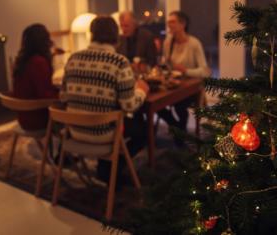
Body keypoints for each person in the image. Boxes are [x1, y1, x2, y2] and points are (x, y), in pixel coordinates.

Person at [60, 16, 149, 184]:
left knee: (118, 118)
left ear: (91, 35)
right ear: (116, 37)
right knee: (143, 131)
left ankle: (105, 167)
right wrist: (141, 91)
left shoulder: (73, 58)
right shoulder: (119, 62)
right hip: (104, 134)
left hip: (75, 131)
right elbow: (129, 105)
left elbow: (63, 96)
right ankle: (110, 169)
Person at [158, 11, 210, 143]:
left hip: (191, 88)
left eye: (172, 22)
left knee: (179, 106)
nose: (169, 25)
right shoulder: (168, 43)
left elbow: (205, 71)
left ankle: (180, 136)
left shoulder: (194, 43)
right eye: (168, 22)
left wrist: (186, 71)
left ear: (183, 24)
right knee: (156, 104)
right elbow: (167, 65)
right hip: (173, 84)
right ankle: (177, 128)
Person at [13, 24, 58, 130]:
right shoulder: (38, 62)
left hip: (24, 118)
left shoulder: (23, 61)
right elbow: (45, 95)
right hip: (38, 120)